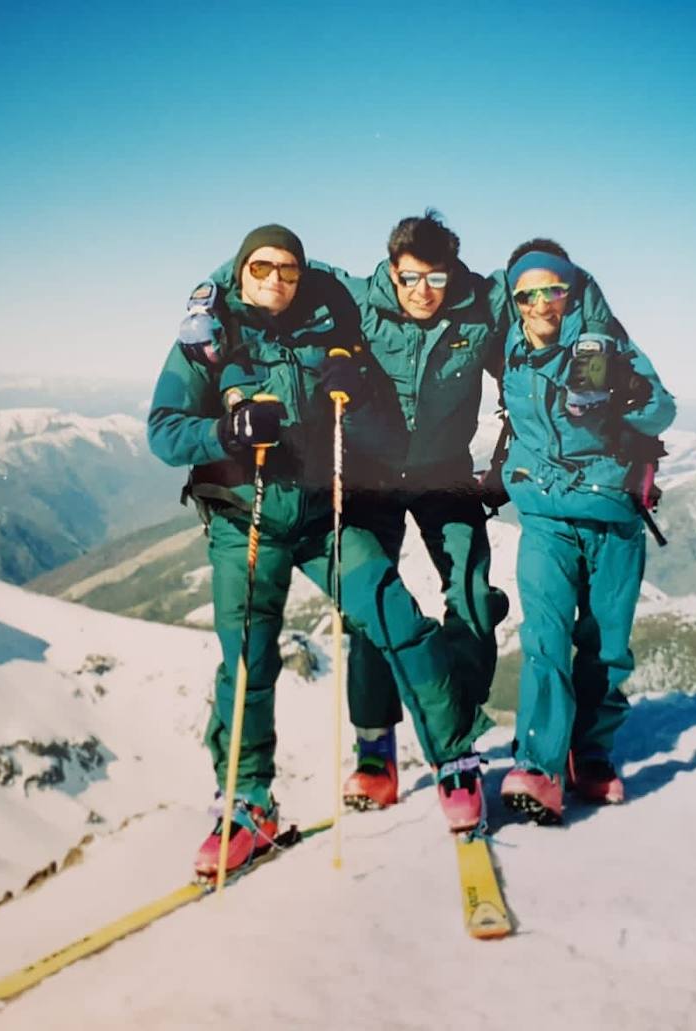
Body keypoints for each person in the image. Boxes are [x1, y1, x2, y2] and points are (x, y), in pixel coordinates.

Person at [147, 224, 492, 877]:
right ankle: (248, 804)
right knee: (246, 662)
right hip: (241, 520)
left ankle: (455, 759)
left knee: (396, 618)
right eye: (261, 267)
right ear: (241, 270)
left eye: (287, 270)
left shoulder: (326, 327)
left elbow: (382, 434)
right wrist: (226, 429)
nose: (274, 279)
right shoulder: (210, 339)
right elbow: (164, 432)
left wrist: (353, 388)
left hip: (320, 516)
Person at [327, 212, 623, 815]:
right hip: (372, 480)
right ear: (391, 269)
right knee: (371, 609)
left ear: (453, 273)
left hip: (445, 475)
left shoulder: (481, 304)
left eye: (436, 279)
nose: (422, 293)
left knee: (470, 595)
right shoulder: (357, 299)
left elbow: (557, 287)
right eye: (410, 279)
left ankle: (455, 735)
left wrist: (504, 463)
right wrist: (208, 304)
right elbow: (280, 270)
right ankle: (374, 755)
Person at [492, 239, 676, 824]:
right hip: (544, 514)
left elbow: (663, 410)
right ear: (515, 299)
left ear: (572, 291)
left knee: (605, 646)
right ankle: (539, 765)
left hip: (612, 516)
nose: (542, 302)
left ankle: (590, 751)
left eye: (554, 288)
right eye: (529, 292)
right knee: (545, 642)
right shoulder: (508, 348)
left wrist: (622, 391)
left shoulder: (609, 344)